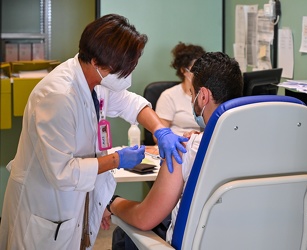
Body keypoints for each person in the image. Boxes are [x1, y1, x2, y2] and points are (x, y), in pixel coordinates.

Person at [0, 14, 187, 250]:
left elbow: (130, 103)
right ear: (98, 62)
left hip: (74, 201)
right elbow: (63, 173)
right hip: (45, 207)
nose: (127, 77)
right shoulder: (57, 97)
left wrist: (160, 130)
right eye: (123, 70)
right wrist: (117, 160)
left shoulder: (96, 80)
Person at [104, 52, 244, 249]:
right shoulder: (264, 143)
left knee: (122, 236)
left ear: (203, 96)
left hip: (194, 242)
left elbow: (144, 218)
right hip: (249, 239)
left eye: (193, 94)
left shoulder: (187, 148)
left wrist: (112, 203)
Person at [155, 42, 205, 136]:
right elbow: (159, 135)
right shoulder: (169, 96)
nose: (199, 73)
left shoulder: (207, 95)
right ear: (183, 70)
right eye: (195, 69)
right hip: (178, 145)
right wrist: (184, 138)